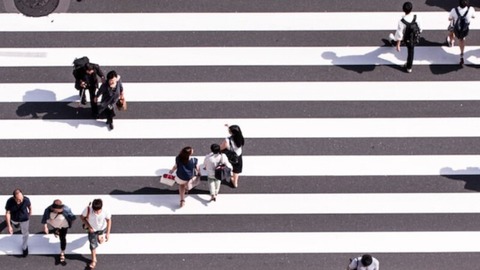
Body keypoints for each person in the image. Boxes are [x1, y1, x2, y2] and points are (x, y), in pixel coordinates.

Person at [388, 2, 421, 73]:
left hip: (405, 38)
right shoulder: (416, 17)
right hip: (413, 38)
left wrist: (398, 44)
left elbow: (399, 33)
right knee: (411, 52)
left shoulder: (402, 21)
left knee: (397, 41)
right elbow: (420, 27)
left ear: (403, 10)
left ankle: (392, 42)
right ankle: (409, 67)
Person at [41, 199, 76, 265]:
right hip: (55, 224)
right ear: (54, 208)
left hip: (64, 226)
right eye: (59, 209)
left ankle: (62, 252)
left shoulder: (66, 209)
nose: (61, 210)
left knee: (62, 238)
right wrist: (45, 227)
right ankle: (56, 230)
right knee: (56, 229)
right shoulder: (48, 210)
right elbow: (44, 218)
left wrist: (69, 224)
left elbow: (73, 218)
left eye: (61, 208)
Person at [81, 199, 112, 269]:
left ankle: (100, 236)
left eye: (98, 211)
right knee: (92, 244)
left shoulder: (106, 211)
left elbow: (109, 220)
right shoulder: (88, 209)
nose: (97, 213)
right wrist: (89, 227)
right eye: (95, 211)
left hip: (102, 228)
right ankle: (94, 260)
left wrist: (108, 233)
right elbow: (82, 217)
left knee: (100, 241)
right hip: (92, 230)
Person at [446, 0, 475, 65]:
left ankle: (451, 42)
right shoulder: (471, 10)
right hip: (463, 28)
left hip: (454, 27)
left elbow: (449, 18)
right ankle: (461, 54)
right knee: (461, 39)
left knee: (451, 33)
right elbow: (473, 16)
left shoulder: (454, 10)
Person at [4, 188, 32, 257]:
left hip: (24, 219)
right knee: (16, 225)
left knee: (25, 233)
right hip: (14, 219)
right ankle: (16, 225)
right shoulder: (10, 201)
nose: (21, 200)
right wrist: (9, 226)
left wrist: (30, 212)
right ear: (14, 198)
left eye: (22, 198)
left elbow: (29, 206)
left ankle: (24, 247)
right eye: (19, 199)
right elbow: (8, 213)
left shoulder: (26, 199)